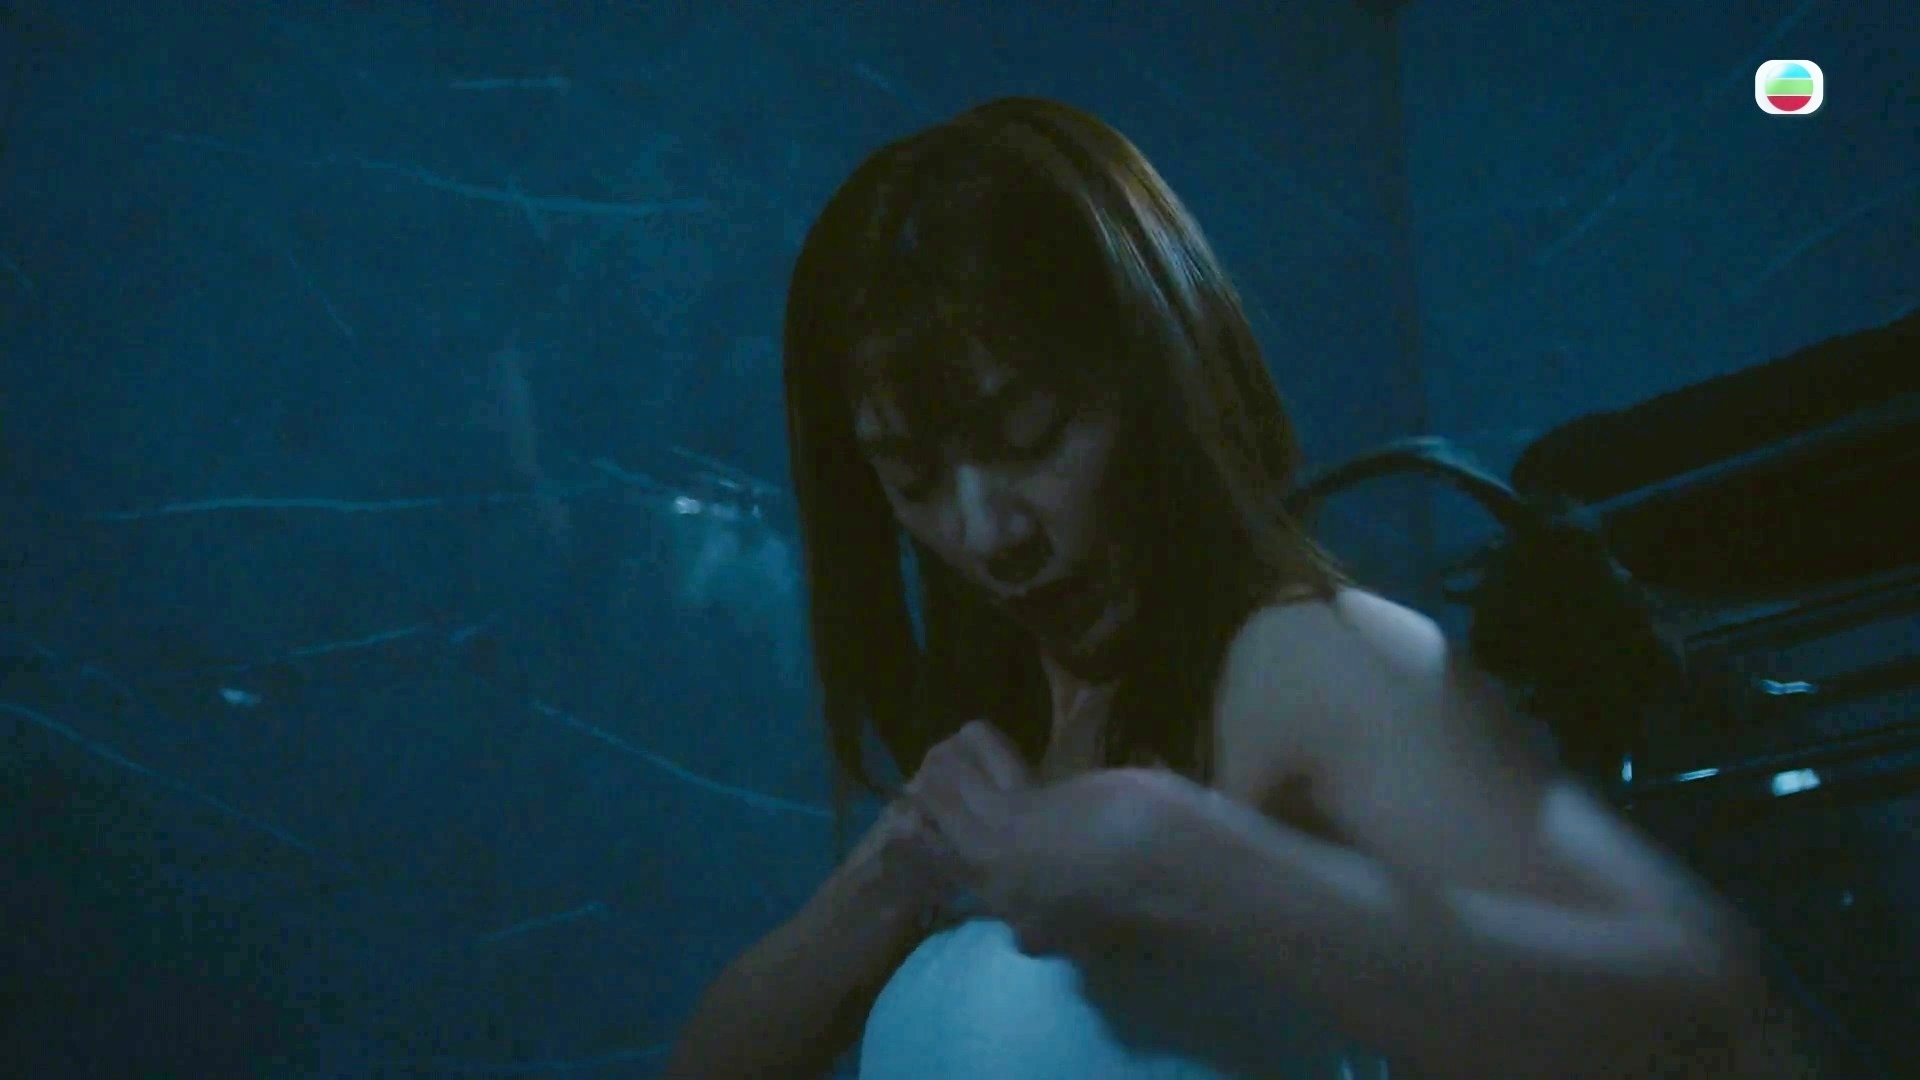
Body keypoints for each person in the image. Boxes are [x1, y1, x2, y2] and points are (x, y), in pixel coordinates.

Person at [663, 97, 1812, 1079]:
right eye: (913, 478)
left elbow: (1732, 1029)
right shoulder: (1003, 743)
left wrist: (1188, 869)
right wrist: (889, 879)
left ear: (1151, 378)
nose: (985, 534)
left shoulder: (1299, 661)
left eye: (1032, 433)